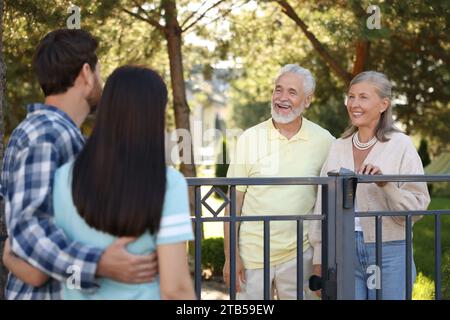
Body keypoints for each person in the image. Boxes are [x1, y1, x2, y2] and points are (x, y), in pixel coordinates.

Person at [1, 29, 157, 299]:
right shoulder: (46, 133)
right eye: (99, 72)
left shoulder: (64, 135)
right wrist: (99, 263)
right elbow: (29, 226)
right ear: (86, 73)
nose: (101, 81)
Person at [309, 71, 430, 300]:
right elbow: (321, 205)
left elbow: (418, 206)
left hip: (390, 249)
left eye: (363, 97)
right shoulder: (338, 146)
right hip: (343, 250)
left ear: (383, 104)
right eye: (351, 96)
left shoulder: (401, 145)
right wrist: (319, 259)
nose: (354, 103)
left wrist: (387, 185)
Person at [223, 64, 335, 300]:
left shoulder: (325, 141)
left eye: (292, 92)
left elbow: (332, 199)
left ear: (307, 100)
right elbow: (234, 201)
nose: (282, 98)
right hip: (252, 254)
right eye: (278, 90)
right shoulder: (249, 138)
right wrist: (231, 256)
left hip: (300, 253)